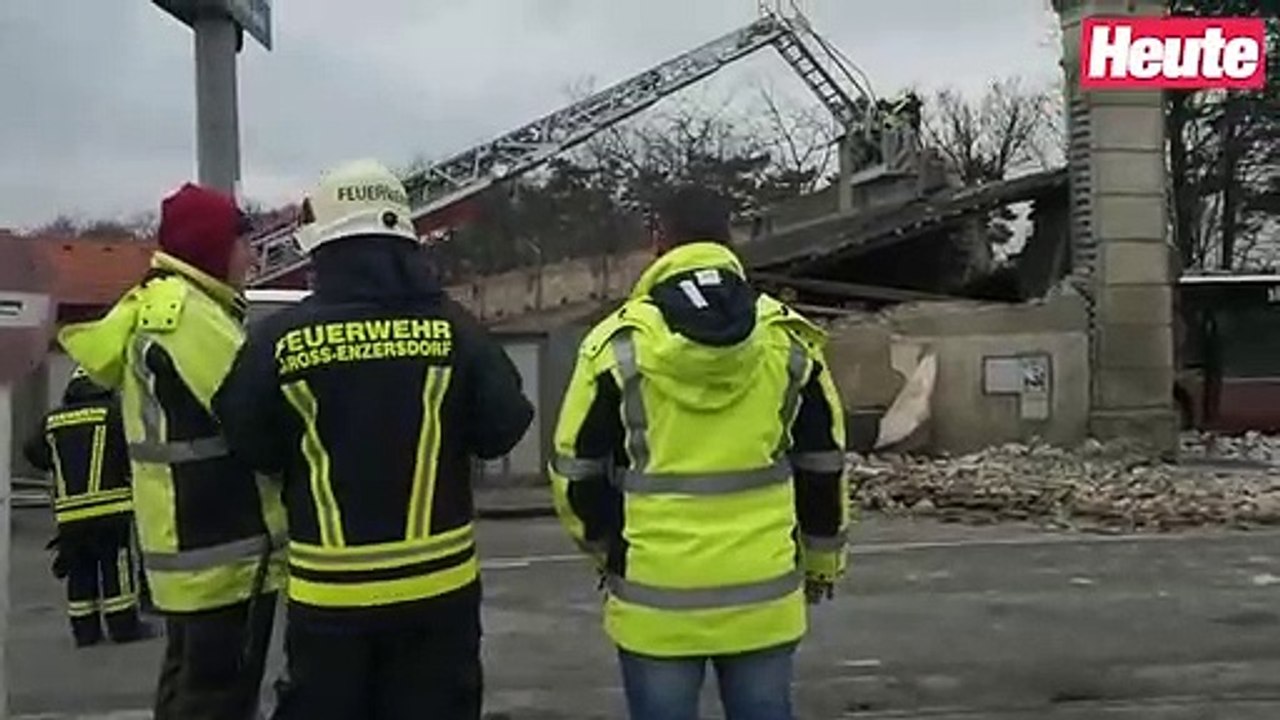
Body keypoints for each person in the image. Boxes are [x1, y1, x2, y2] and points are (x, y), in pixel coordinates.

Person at [213, 158, 534, 720]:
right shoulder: (455, 329)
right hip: (441, 599)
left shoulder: (280, 341)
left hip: (329, 602)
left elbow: (247, 440)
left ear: (322, 248)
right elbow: (504, 425)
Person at [548, 186, 850, 720]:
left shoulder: (616, 345)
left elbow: (576, 473)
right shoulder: (789, 339)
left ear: (658, 241)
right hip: (765, 596)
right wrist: (823, 562)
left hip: (655, 599)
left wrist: (606, 552)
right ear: (728, 238)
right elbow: (822, 464)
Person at [58, 183, 288, 720]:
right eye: (242, 244)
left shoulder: (164, 304)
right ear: (211, 247)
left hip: (190, 548)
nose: (252, 258)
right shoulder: (187, 316)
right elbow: (253, 416)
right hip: (221, 546)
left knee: (189, 690)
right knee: (215, 700)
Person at [23, 368, 152, 648]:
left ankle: (85, 631)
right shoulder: (114, 414)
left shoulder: (52, 420)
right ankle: (123, 627)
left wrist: (59, 463)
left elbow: (33, 452)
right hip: (111, 507)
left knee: (79, 569)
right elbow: (133, 448)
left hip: (70, 513)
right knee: (116, 567)